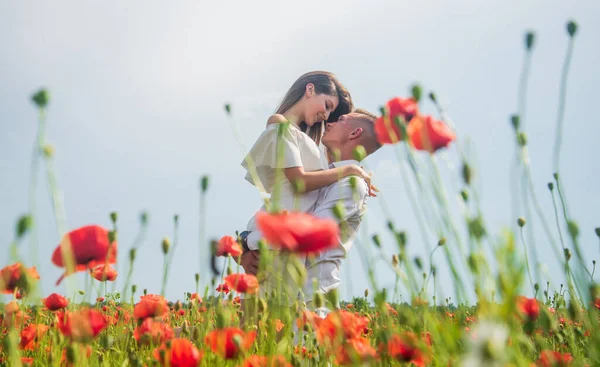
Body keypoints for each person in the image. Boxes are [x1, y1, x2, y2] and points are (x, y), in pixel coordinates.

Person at [239, 109, 382, 314]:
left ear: (354, 133)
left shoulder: (352, 185)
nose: (329, 123)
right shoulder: (325, 178)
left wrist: (246, 243)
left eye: (341, 119)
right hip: (286, 298)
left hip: (311, 306)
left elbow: (305, 234)